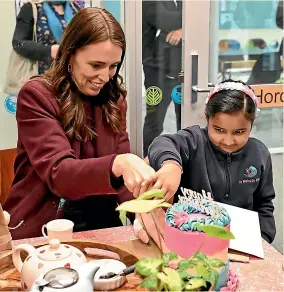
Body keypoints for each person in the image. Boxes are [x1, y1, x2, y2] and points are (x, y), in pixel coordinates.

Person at [4, 7, 156, 240]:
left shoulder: (114, 99)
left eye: (113, 66)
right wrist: (118, 163)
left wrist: (145, 213)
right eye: (96, 65)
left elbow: (124, 183)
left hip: (101, 223)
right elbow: (59, 174)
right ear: (70, 54)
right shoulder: (37, 96)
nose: (105, 77)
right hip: (45, 227)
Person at [146, 79, 276, 244]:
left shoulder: (259, 153)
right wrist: (171, 165)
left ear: (252, 122)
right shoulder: (193, 141)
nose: (228, 141)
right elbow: (162, 143)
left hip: (241, 242)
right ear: (207, 117)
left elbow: (264, 204)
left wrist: (263, 238)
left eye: (239, 132)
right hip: (190, 239)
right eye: (219, 130)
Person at [142, 0, 182, 157]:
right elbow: (166, 19)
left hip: (181, 70)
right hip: (156, 71)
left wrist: (184, 29)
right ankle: (148, 160)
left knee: (184, 119)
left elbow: (203, 19)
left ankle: (184, 160)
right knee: (154, 120)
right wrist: (188, 23)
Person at [13, 0, 80, 75]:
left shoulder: (76, 9)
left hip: (72, 74)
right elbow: (18, 43)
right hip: (43, 76)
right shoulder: (31, 8)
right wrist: (49, 51)